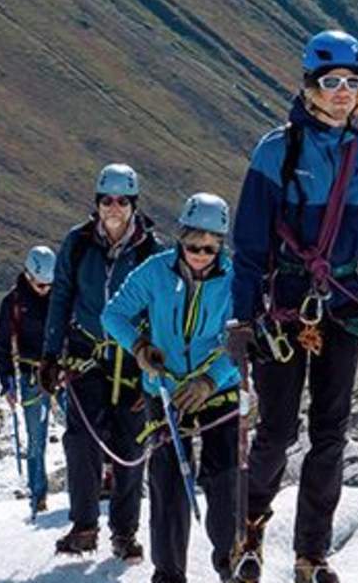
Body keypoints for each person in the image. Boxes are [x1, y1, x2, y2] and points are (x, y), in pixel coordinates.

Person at [223, 30, 358, 583]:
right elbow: (250, 246)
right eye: (330, 83)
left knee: (331, 433)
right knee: (277, 432)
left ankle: (312, 554)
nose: (341, 94)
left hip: (345, 306)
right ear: (309, 87)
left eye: (351, 84)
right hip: (283, 306)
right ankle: (248, 532)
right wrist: (242, 318)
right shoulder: (276, 153)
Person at [102, 193, 241, 583]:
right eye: (193, 245)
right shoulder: (154, 271)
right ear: (180, 238)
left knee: (225, 477)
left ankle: (230, 563)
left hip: (219, 387)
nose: (200, 254)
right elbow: (113, 314)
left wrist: (211, 380)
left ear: (221, 246)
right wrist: (140, 347)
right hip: (162, 386)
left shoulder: (235, 280)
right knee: (167, 480)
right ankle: (168, 573)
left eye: (210, 248)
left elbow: (243, 338)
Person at [38, 163, 162, 561]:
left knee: (131, 442)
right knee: (81, 442)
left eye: (122, 201)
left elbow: (162, 311)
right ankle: (85, 525)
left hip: (133, 361)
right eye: (107, 200)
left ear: (133, 204)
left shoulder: (151, 251)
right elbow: (60, 299)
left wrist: (157, 377)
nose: (114, 208)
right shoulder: (77, 244)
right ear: (97, 202)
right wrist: (49, 354)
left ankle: (124, 533)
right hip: (85, 357)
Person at [0, 244, 57, 515]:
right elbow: (2, 345)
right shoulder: (14, 302)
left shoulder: (60, 295)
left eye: (49, 284)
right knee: (36, 438)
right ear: (29, 277)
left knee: (80, 430)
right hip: (31, 374)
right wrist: (7, 382)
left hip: (63, 371)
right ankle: (38, 496)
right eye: (41, 285)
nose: (46, 289)